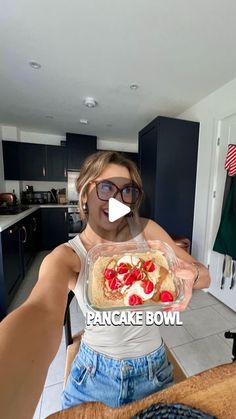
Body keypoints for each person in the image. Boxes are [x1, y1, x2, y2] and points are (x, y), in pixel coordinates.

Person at [0, 151, 211, 418]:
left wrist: (191, 274)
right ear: (85, 193)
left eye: (128, 191)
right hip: (93, 377)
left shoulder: (147, 231)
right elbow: (40, 311)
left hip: (155, 372)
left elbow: (205, 275)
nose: (117, 199)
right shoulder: (68, 256)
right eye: (107, 187)